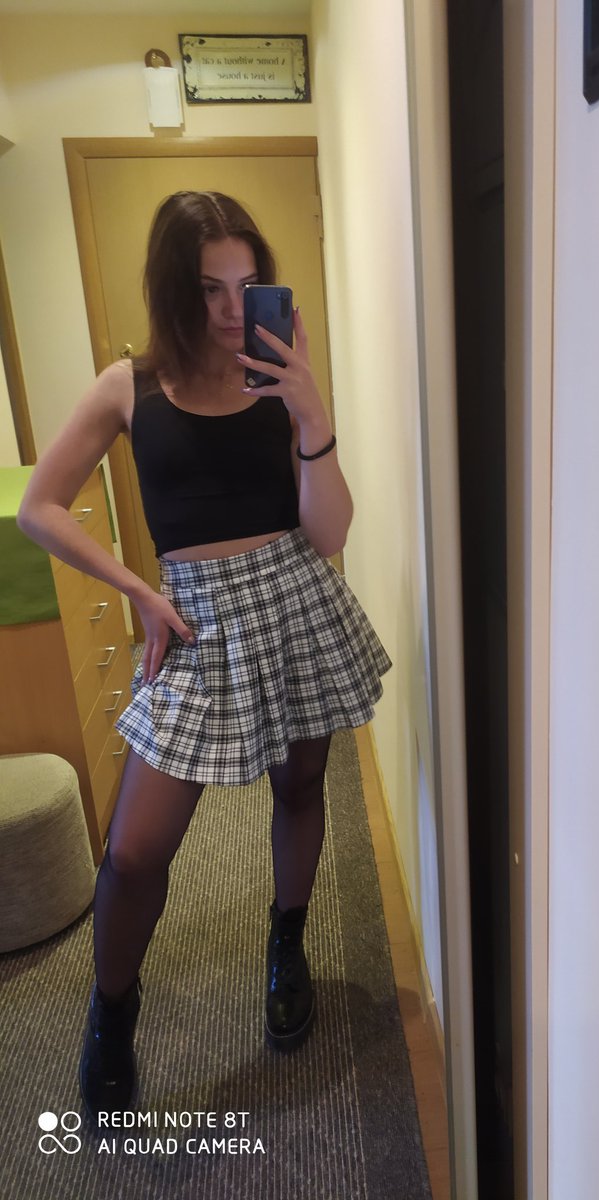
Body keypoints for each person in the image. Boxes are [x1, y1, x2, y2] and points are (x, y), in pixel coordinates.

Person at [17, 191, 391, 1123]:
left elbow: (331, 534)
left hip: (293, 600)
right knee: (136, 851)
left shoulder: (281, 379)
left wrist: (311, 412)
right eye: (210, 288)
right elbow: (39, 506)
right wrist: (136, 590)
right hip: (192, 623)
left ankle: (287, 945)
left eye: (247, 284)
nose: (232, 308)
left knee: (300, 787)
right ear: (171, 290)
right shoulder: (128, 387)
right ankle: (112, 1013)